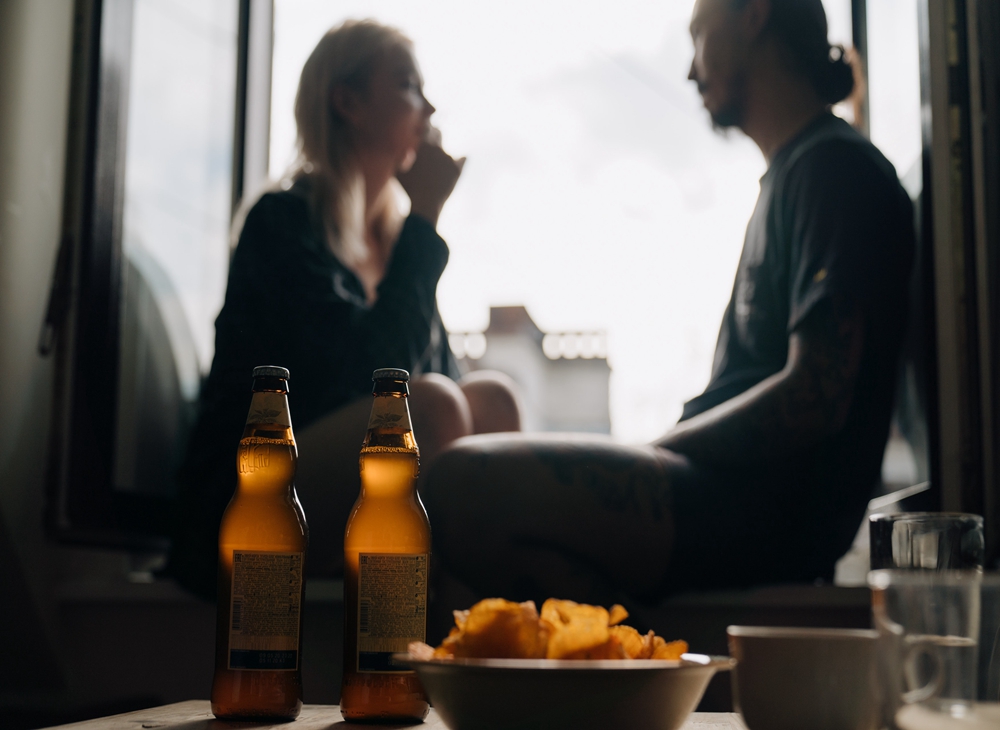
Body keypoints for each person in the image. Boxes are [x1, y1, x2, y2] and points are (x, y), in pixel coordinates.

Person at [422, 0, 916, 608]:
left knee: (458, 485)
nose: (689, 71)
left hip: (764, 509)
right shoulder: (799, 173)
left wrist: (660, 450)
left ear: (754, 16)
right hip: (736, 497)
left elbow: (815, 395)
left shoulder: (834, 169)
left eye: (700, 37)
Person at [168, 20, 521, 600]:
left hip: (350, 486)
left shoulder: (392, 244)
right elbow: (374, 379)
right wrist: (426, 219)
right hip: (249, 502)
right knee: (422, 409)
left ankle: (484, 635)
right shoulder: (283, 224)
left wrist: (414, 238)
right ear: (348, 101)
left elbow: (451, 387)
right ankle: (410, 638)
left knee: (493, 400)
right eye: (408, 85)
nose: (429, 107)